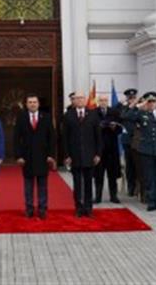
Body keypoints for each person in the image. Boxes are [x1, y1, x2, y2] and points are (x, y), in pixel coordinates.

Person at [125, 91, 156, 211]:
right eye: (149, 102)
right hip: (146, 149)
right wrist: (137, 105)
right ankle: (151, 201)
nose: (151, 104)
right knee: (149, 176)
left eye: (153, 102)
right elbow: (126, 116)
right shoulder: (141, 114)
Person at [14, 93, 55, 219]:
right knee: (28, 186)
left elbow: (52, 138)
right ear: (26, 104)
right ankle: (29, 208)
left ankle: (42, 209)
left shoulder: (47, 117)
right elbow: (16, 138)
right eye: (30, 102)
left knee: (42, 185)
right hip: (27, 157)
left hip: (43, 157)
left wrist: (51, 155)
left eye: (34, 102)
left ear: (38, 104)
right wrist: (19, 156)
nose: (32, 104)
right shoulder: (21, 117)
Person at [62, 90, 101, 218]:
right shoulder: (68, 115)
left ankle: (88, 208)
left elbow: (98, 137)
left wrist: (98, 154)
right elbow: (65, 138)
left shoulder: (93, 115)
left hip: (90, 156)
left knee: (89, 183)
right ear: (73, 101)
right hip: (75, 156)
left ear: (85, 101)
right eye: (77, 98)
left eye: (81, 98)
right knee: (77, 183)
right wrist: (67, 155)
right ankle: (78, 207)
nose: (79, 101)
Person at [93, 94, 122, 204]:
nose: (103, 102)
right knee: (98, 175)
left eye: (105, 100)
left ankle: (113, 196)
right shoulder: (94, 113)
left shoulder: (114, 112)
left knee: (112, 174)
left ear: (107, 101)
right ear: (98, 101)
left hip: (112, 148)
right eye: (101, 100)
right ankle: (98, 196)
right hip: (99, 149)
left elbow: (120, 129)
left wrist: (114, 127)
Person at [117, 88, 139, 197]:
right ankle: (131, 187)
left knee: (138, 165)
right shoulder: (124, 108)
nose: (132, 100)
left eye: (133, 98)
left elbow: (136, 117)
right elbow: (123, 116)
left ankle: (139, 187)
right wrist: (129, 106)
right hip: (127, 141)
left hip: (138, 141)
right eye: (130, 98)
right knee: (130, 165)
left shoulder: (139, 108)